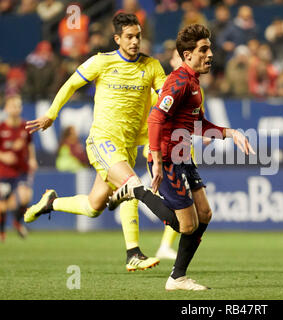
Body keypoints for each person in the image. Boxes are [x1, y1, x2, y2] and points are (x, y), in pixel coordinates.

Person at [108, 24, 255, 290]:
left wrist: (232, 133)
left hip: (183, 157)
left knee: (205, 214)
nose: (210, 54)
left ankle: (177, 277)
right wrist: (157, 162)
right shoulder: (177, 82)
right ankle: (137, 190)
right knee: (186, 226)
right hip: (166, 159)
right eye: (203, 49)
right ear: (187, 55)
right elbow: (155, 118)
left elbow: (199, 125)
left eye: (209, 48)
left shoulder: (195, 84)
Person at [24, 13, 175, 272]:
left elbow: (164, 96)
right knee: (131, 186)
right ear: (117, 39)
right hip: (102, 140)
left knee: (94, 206)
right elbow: (71, 84)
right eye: (129, 37)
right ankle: (133, 253)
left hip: (127, 145)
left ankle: (50, 202)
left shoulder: (151, 66)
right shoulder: (102, 62)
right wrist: (51, 113)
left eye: (138, 36)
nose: (135, 41)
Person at [0, 95, 38, 242]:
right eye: (13, 106)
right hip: (4, 171)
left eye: (18, 106)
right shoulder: (2, 127)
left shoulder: (25, 126)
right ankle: (2, 232)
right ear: (7, 108)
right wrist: (4, 157)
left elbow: (29, 144)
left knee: (25, 196)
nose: (16, 109)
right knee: (2, 206)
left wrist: (33, 159)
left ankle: (17, 222)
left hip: (21, 170)